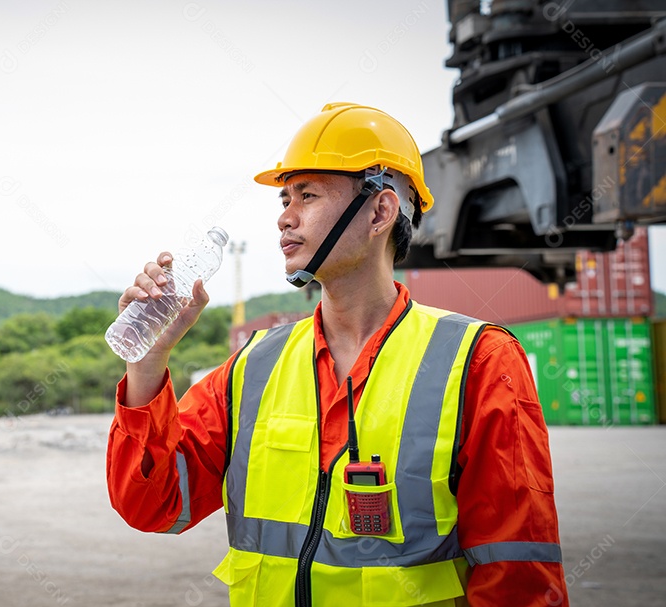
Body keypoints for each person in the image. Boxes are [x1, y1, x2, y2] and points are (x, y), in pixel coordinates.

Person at [106, 103, 568, 606]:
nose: (285, 216)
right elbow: (152, 505)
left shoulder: (479, 362)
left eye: (308, 195)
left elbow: (517, 574)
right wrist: (146, 364)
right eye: (285, 198)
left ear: (380, 212)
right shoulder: (253, 368)